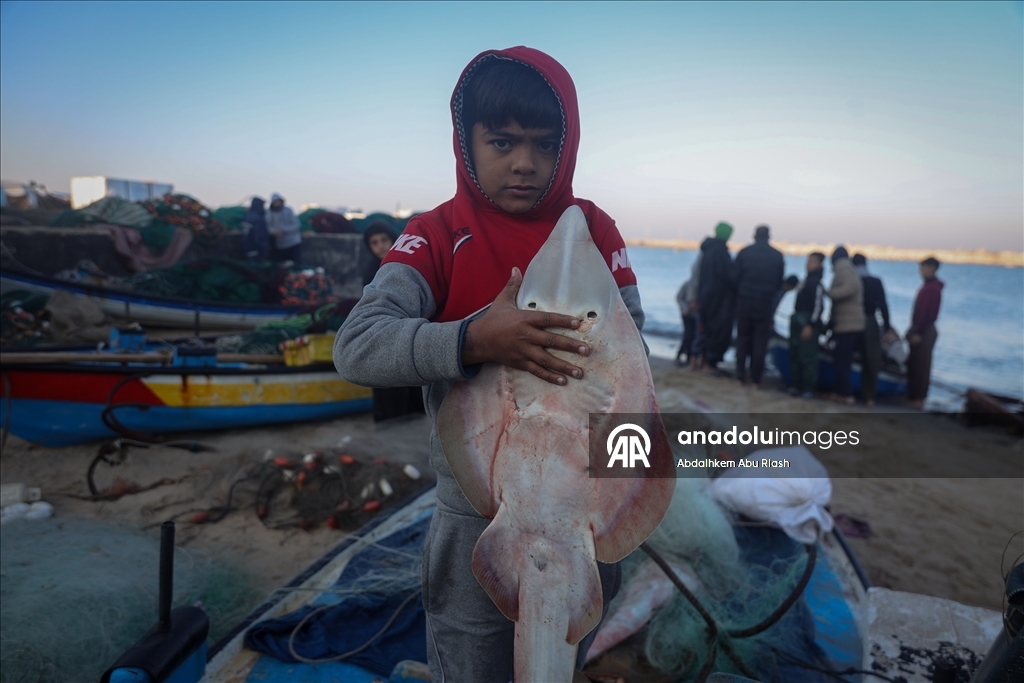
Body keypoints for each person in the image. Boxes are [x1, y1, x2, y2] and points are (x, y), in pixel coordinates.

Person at [334, 48, 640, 681]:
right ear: (466, 142)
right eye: (502, 142)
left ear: (569, 145)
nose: (524, 163)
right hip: (477, 513)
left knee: (557, 658)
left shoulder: (596, 233)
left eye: (544, 145)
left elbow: (634, 366)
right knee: (471, 661)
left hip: (582, 516)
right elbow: (358, 345)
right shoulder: (437, 233)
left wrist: (623, 506)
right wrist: (473, 339)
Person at [732, 225, 784, 387]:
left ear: (754, 236)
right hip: (765, 303)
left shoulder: (744, 252)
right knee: (760, 342)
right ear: (769, 236)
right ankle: (756, 379)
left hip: (745, 301)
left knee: (742, 339)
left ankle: (740, 376)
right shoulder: (777, 256)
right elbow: (778, 283)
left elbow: (735, 278)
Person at [825, 246, 865, 405]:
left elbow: (852, 287)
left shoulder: (843, 267)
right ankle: (840, 391)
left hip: (848, 324)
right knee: (842, 359)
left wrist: (830, 294)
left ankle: (847, 394)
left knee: (842, 360)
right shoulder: (848, 268)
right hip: (848, 322)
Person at [852, 253, 892, 407]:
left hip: (853, 320)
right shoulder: (876, 282)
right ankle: (869, 396)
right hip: (870, 321)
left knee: (849, 354)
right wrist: (887, 327)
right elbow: (883, 305)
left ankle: (846, 391)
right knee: (871, 360)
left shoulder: (853, 281)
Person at [697, 221, 735, 374]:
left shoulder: (707, 250)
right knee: (717, 330)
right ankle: (710, 364)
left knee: (706, 329)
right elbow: (728, 276)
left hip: (705, 296)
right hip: (718, 298)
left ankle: (704, 361)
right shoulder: (720, 252)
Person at [906, 256, 943, 409]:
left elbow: (926, 314)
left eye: (923, 268)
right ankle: (914, 395)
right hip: (922, 328)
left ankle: (918, 398)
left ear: (931, 268)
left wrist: (917, 332)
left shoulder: (931, 289)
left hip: (924, 330)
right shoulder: (930, 287)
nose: (921, 271)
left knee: (921, 365)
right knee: (915, 362)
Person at [788, 253, 825, 398]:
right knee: (795, 353)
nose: (808, 264)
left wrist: (810, 325)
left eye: (813, 261)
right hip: (798, 318)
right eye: (808, 261)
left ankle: (808, 389)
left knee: (807, 356)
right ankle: (796, 386)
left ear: (820, 265)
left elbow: (818, 307)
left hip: (807, 320)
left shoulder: (816, 284)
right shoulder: (806, 281)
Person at [266, 193, 302, 263]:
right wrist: (274, 232)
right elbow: (267, 227)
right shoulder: (268, 213)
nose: (277, 204)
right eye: (275, 202)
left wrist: (283, 230)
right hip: (279, 246)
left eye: (278, 202)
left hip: (293, 243)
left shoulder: (288, 211)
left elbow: (296, 225)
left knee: (297, 265)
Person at [360, 220, 398, 287]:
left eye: (384, 240)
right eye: (374, 242)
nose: (380, 246)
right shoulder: (370, 272)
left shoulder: (404, 264)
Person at [241, 197, 270, 262]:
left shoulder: (246, 216)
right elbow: (260, 237)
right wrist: (264, 251)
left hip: (247, 250)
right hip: (256, 252)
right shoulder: (258, 219)